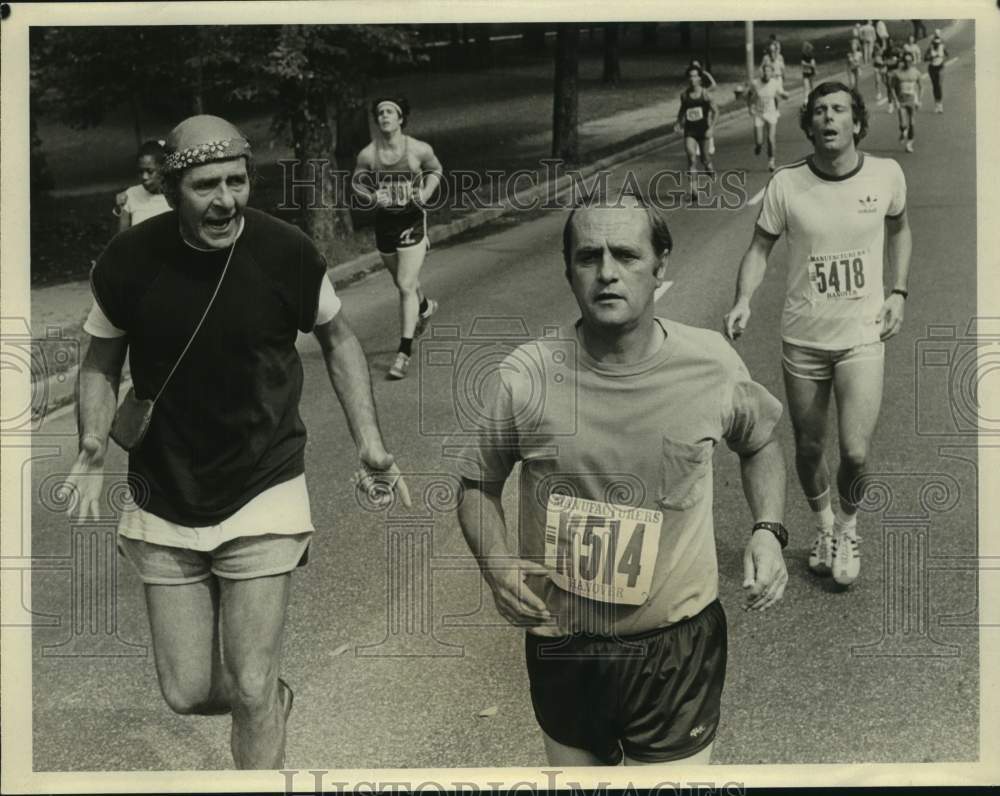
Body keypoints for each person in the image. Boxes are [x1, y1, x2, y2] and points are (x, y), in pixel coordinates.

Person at [65, 114, 411, 769]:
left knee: (249, 681)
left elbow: (338, 340)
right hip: (164, 489)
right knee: (188, 691)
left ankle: (259, 717)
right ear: (171, 190)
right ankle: (267, 701)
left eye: (237, 180)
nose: (227, 199)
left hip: (264, 481)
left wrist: (369, 440)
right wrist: (90, 444)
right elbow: (100, 362)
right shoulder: (129, 262)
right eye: (206, 186)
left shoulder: (286, 254)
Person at [453, 189, 789, 767]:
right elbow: (477, 485)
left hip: (675, 647)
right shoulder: (526, 377)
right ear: (568, 271)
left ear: (660, 267)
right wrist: (497, 565)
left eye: (627, 256)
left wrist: (767, 529)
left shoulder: (710, 364)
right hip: (564, 648)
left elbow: (760, 443)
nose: (607, 273)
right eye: (588, 257)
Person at [724, 82, 912, 588]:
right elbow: (759, 248)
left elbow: (899, 228)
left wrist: (898, 291)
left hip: (861, 335)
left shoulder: (886, 174)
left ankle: (849, 529)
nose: (829, 119)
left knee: (854, 451)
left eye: (839, 110)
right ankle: (825, 527)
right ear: (808, 124)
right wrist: (743, 299)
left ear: (856, 122)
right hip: (803, 339)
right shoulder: (787, 185)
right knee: (809, 448)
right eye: (820, 111)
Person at [353, 96, 443, 380]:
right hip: (385, 224)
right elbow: (357, 181)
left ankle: (403, 353)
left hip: (412, 221)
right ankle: (425, 307)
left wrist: (426, 192)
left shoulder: (417, 149)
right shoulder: (369, 154)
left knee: (405, 284)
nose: (384, 117)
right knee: (402, 281)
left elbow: (436, 170)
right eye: (380, 113)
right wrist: (371, 196)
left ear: (401, 118)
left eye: (390, 112)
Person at [676, 65, 718, 200]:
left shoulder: (705, 94)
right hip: (690, 131)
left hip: (703, 130)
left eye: (695, 76)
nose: (692, 79)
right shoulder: (684, 95)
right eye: (690, 76)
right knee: (691, 158)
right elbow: (682, 111)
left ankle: (709, 167)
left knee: (705, 159)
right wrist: (678, 122)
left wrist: (711, 128)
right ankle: (694, 190)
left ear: (700, 78)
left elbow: (716, 112)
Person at [114, 139, 171, 232]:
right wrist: (119, 209)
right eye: (141, 172)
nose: (144, 177)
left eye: (150, 171)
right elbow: (121, 239)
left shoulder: (175, 195)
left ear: (163, 169)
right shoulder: (130, 195)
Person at [747, 62, 789, 171]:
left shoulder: (775, 83)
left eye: (769, 71)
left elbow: (781, 94)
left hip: (771, 113)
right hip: (759, 114)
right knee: (759, 141)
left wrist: (785, 95)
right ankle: (758, 146)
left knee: (771, 139)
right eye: (765, 71)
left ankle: (771, 161)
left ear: (771, 73)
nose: (766, 73)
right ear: (762, 72)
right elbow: (749, 95)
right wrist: (750, 107)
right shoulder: (755, 83)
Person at [893, 50, 924, 152]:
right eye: (905, 61)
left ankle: (909, 143)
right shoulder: (897, 73)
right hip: (901, 100)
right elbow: (892, 87)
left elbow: (921, 86)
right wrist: (895, 101)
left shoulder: (916, 72)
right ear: (903, 61)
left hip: (912, 99)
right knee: (903, 123)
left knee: (912, 122)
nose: (907, 63)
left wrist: (919, 100)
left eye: (909, 61)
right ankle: (903, 131)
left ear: (912, 61)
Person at [925, 30, 948, 113]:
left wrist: (942, 60)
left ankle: (940, 104)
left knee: (939, 85)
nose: (936, 44)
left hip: (940, 67)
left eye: (937, 43)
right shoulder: (930, 47)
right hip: (932, 68)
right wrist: (931, 58)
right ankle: (936, 104)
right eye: (935, 43)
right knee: (935, 86)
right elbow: (925, 58)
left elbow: (947, 55)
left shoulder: (942, 46)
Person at [883, 40, 901, 113]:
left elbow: (900, 60)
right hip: (889, 71)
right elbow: (884, 61)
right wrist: (888, 61)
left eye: (891, 42)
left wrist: (897, 60)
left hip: (896, 71)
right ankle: (890, 105)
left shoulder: (897, 51)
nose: (890, 44)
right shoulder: (885, 51)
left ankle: (897, 102)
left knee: (897, 87)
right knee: (889, 88)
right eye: (889, 43)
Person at [800, 41, 818, 106]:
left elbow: (813, 65)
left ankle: (813, 99)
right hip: (805, 74)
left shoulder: (811, 56)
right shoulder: (803, 56)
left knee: (812, 87)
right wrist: (810, 65)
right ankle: (806, 101)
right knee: (806, 87)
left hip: (811, 73)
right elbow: (802, 63)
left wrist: (813, 69)